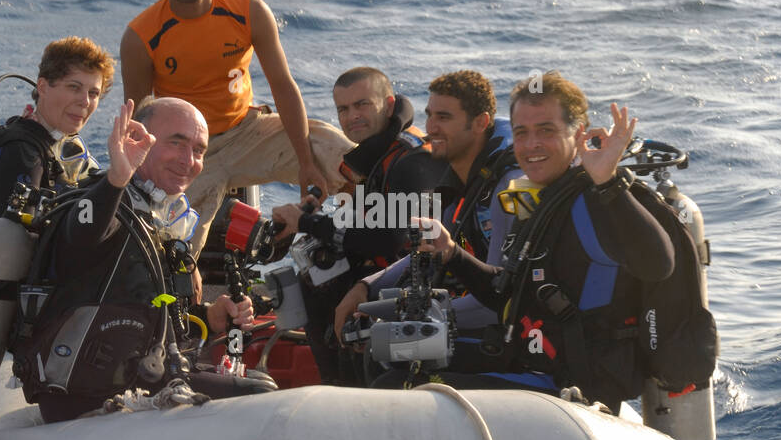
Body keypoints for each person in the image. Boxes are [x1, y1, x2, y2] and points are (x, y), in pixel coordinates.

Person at [372, 73, 677, 415]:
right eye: (521, 133)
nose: (531, 145)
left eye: (546, 130)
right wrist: (451, 253)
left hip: (574, 385)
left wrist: (608, 182)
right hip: (531, 357)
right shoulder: (541, 198)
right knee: (391, 353)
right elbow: (506, 294)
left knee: (393, 388)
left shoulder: (596, 197)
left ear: (577, 135)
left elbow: (659, 264)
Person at [11, 97, 263, 424]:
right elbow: (78, 238)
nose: (189, 160)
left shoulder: (157, 217)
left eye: (199, 150)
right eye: (177, 143)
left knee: (259, 382)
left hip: (139, 377)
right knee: (259, 397)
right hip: (84, 394)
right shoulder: (103, 204)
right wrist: (116, 178)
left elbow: (148, 308)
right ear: (137, 141)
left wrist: (209, 316)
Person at [121, 0, 353, 258]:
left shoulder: (248, 11)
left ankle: (382, 254)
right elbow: (139, 120)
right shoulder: (141, 36)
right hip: (191, 153)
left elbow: (283, 86)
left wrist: (306, 162)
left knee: (350, 163)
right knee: (169, 250)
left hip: (249, 132)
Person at [270, 67, 447, 385]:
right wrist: (308, 217)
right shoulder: (380, 153)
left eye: (362, 104)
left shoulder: (411, 161)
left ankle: (345, 388)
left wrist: (310, 223)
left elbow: (390, 241)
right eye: (343, 109)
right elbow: (372, 220)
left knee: (325, 286)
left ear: (389, 105)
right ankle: (336, 383)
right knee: (311, 274)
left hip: (418, 279)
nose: (352, 116)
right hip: (388, 266)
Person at [330, 69, 520, 343]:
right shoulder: (457, 178)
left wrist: (404, 319)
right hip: (474, 306)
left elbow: (497, 300)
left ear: (481, 123)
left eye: (444, 117)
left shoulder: (505, 190)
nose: (431, 127)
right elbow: (432, 249)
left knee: (387, 356)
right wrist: (366, 287)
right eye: (430, 115)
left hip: (514, 333)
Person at [0, 36, 112, 260]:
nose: (85, 101)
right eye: (74, 87)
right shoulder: (23, 154)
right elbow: (16, 244)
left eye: (94, 93)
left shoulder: (55, 145)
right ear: (42, 87)